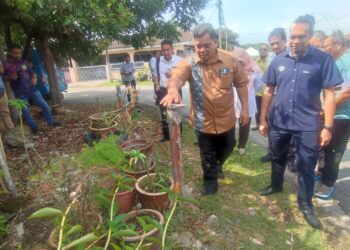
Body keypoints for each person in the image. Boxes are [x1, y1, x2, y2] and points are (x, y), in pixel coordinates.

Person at [258, 15, 343, 229]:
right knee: (277, 157)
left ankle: (305, 204)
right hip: (279, 122)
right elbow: (268, 91)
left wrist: (328, 127)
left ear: (310, 35)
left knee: (306, 166)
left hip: (308, 124)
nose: (295, 41)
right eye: (293, 36)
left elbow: (330, 94)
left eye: (301, 36)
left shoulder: (323, 60)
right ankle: (276, 185)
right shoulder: (278, 60)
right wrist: (262, 119)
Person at [160, 23, 249, 195]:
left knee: (229, 145)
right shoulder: (189, 63)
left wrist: (245, 109)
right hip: (203, 120)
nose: (202, 50)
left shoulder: (230, 60)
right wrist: (172, 89)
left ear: (215, 41)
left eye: (206, 45)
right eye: (198, 46)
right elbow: (176, 77)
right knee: (206, 153)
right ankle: (210, 182)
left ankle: (217, 165)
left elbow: (242, 84)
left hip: (227, 119)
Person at [314, 30, 350, 199]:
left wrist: (325, 111)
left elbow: (346, 93)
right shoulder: (330, 62)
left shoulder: (347, 62)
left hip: (341, 117)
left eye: (326, 46)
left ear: (339, 45)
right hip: (326, 114)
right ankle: (321, 173)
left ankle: (328, 183)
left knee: (335, 151)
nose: (324, 49)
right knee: (324, 146)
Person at [3, 44, 60, 134]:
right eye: (15, 53)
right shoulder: (5, 65)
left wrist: (34, 78)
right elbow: (4, 78)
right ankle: (34, 128)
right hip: (19, 92)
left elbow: (32, 73)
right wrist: (10, 77)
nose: (17, 55)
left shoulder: (24, 62)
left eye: (19, 53)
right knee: (26, 111)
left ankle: (51, 122)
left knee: (44, 105)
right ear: (10, 53)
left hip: (32, 89)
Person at [232, 47, 263, 155]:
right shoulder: (230, 67)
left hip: (248, 99)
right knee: (230, 123)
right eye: (236, 60)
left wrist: (251, 92)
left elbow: (259, 84)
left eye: (241, 61)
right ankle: (230, 144)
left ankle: (242, 145)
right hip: (232, 99)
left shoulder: (254, 69)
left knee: (245, 123)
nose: (239, 63)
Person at [154, 40, 182, 142]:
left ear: (172, 49)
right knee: (164, 113)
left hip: (175, 90)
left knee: (176, 112)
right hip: (162, 91)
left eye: (168, 50)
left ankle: (178, 134)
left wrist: (173, 74)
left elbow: (183, 76)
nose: (166, 52)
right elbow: (155, 74)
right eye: (163, 50)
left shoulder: (179, 61)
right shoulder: (157, 61)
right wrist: (157, 83)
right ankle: (166, 135)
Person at [252, 43, 269, 131]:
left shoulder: (271, 61)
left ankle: (267, 124)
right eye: (261, 49)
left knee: (268, 108)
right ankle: (258, 124)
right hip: (258, 90)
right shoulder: (255, 61)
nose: (262, 51)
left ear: (268, 51)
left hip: (268, 90)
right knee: (258, 108)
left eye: (264, 49)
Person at [0, 59, 15, 131]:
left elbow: (1, 71)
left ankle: (13, 135)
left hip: (1, 90)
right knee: (5, 113)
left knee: (5, 113)